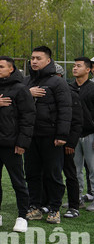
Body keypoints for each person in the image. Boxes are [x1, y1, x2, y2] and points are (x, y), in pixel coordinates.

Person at [0, 56, 34, 232]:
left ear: (11, 69)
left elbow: (28, 118)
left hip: (12, 144)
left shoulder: (21, 89)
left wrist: (22, 142)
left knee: (18, 182)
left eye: (1, 67)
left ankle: (22, 216)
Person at [26, 46, 71, 224]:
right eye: (32, 58)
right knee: (31, 173)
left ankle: (54, 209)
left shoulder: (57, 82)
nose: (34, 61)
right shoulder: (26, 82)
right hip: (30, 137)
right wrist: (27, 94)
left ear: (48, 61)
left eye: (38, 58)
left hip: (51, 137)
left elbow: (66, 110)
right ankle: (34, 207)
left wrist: (61, 134)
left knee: (53, 174)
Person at [70, 57, 94, 212]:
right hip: (73, 135)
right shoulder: (69, 87)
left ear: (88, 69)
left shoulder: (92, 87)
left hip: (91, 134)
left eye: (78, 66)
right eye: (74, 65)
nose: (74, 68)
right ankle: (77, 199)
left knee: (93, 169)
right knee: (74, 169)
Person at [59, 63, 83, 218]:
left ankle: (74, 205)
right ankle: (48, 203)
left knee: (71, 173)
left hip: (67, 142)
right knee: (50, 174)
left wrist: (70, 142)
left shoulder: (71, 93)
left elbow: (76, 121)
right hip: (51, 142)